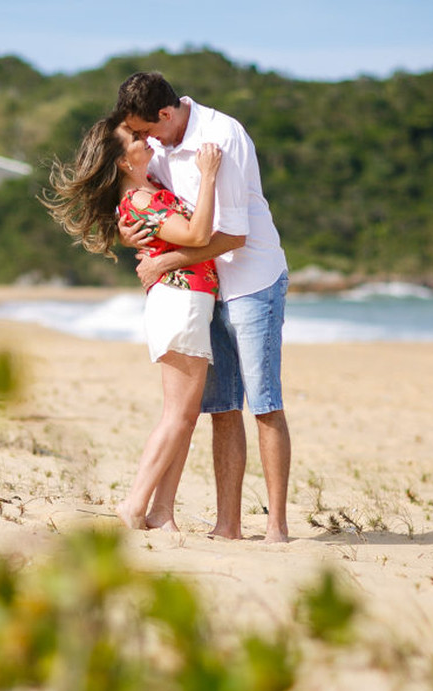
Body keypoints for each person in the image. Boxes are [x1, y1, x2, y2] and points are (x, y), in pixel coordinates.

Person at [115, 71, 291, 542]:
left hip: (251, 280)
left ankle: (276, 527)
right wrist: (127, 232)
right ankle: (228, 525)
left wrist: (164, 260)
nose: (145, 139)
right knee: (222, 408)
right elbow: (138, 200)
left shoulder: (220, 137)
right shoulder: (160, 149)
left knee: (265, 404)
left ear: (167, 114)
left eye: (148, 129)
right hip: (203, 291)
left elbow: (234, 236)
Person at [43, 114, 223, 531]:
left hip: (188, 300)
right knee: (178, 414)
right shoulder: (142, 199)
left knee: (184, 414)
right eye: (136, 138)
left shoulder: (150, 190)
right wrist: (209, 175)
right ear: (124, 161)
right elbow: (197, 237)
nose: (146, 140)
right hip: (180, 301)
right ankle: (135, 504)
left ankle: (161, 512)